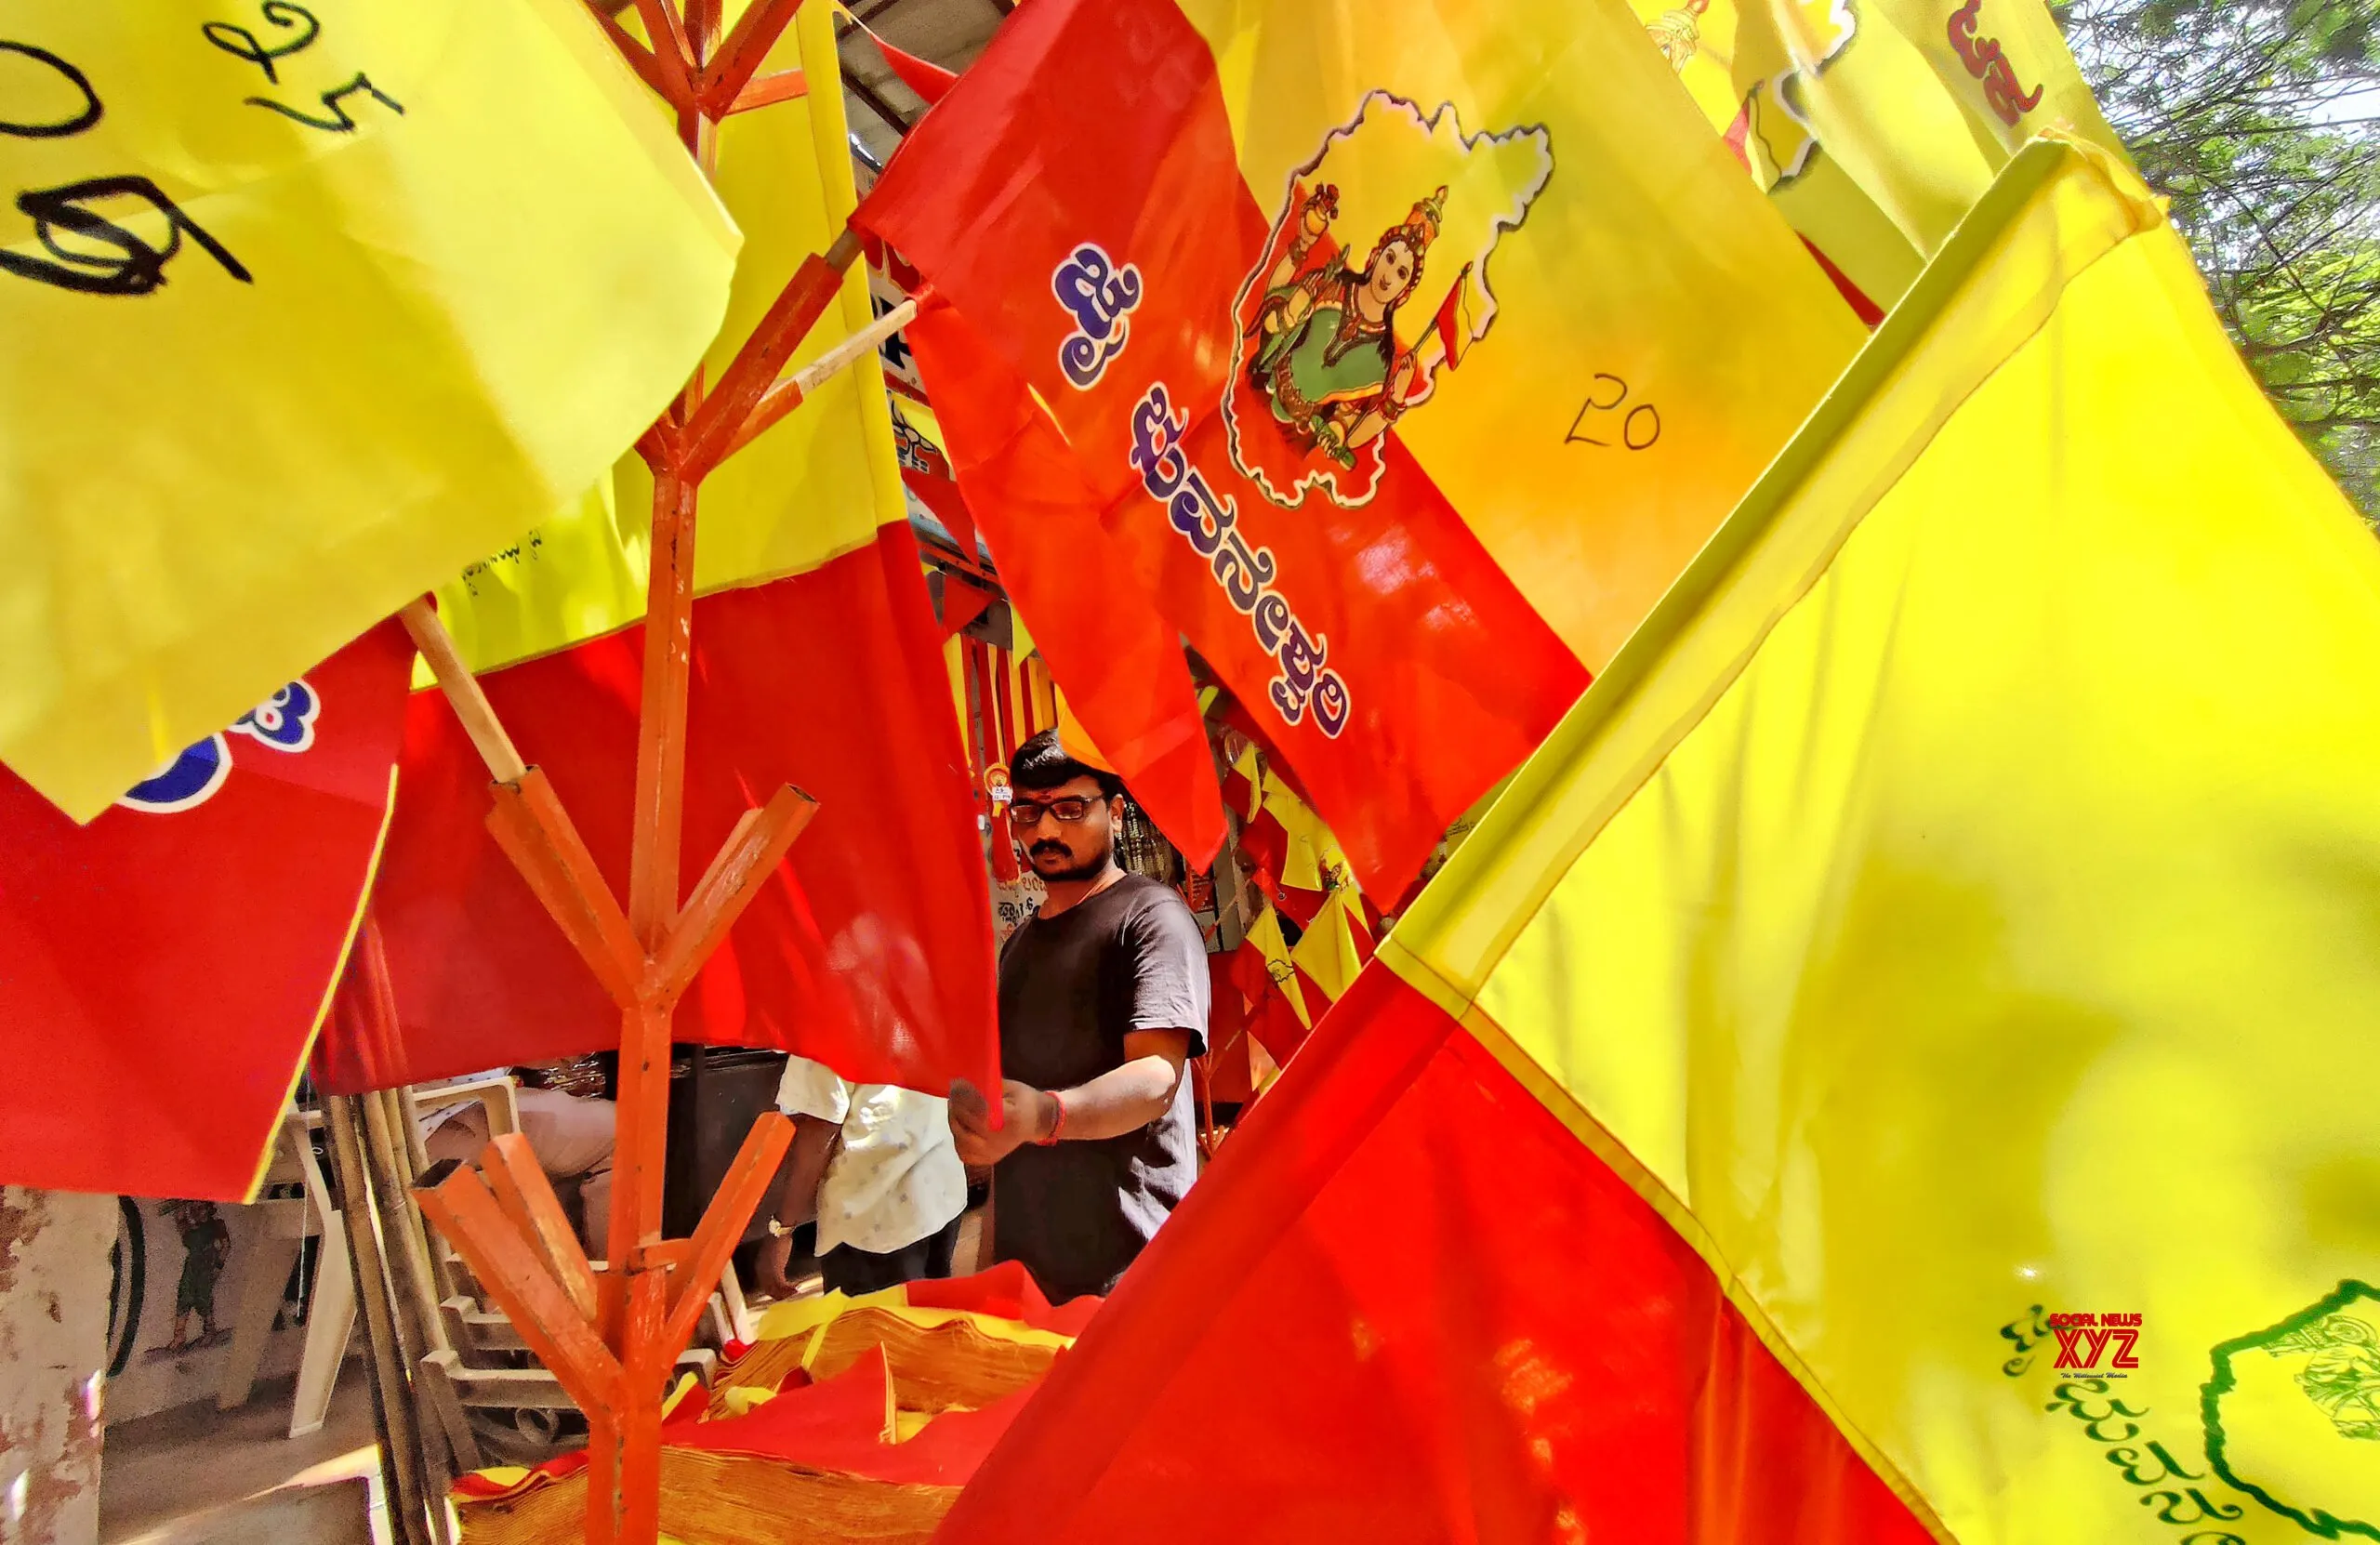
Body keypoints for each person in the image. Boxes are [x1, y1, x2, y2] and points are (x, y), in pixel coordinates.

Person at [950, 730, 1210, 1302]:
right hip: (1032, 1279)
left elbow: (1155, 1079)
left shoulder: (1150, 918)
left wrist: (1047, 1116)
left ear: (1116, 813)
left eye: (1070, 809)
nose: (1045, 830)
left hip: (1134, 1273)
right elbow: (1007, 1122)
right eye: (1028, 812)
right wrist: (990, 1262)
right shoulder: (1017, 945)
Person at [758, 1054, 968, 1299]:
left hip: (871, 1219)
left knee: (871, 1332)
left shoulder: (826, 1019)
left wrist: (782, 1229)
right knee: (926, 1323)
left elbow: (822, 1126)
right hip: (940, 1190)